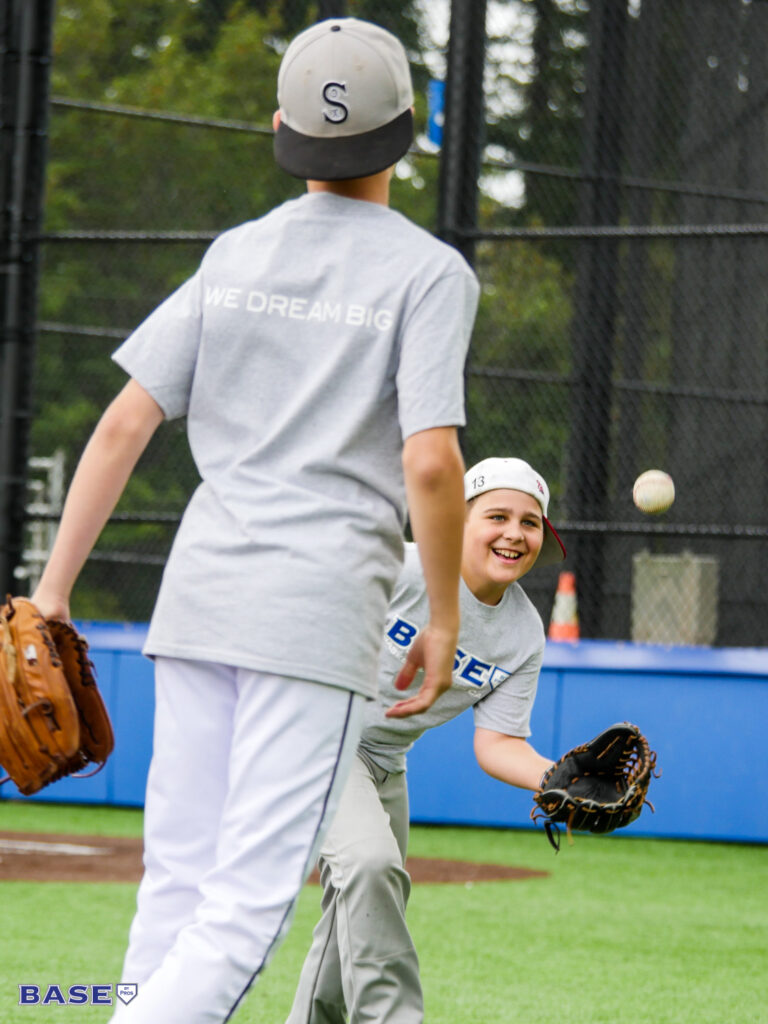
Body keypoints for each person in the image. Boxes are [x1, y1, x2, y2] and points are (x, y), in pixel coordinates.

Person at [29, 17, 479, 1023]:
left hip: (198, 599)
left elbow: (124, 422)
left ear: (279, 125)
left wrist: (53, 590)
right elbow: (431, 459)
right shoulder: (431, 271)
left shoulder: (236, 251)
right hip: (312, 617)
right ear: (409, 129)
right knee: (242, 908)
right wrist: (444, 618)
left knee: (175, 885)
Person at [285, 456, 567, 1024]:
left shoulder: (523, 633)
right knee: (370, 867)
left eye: (530, 522)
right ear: (457, 521)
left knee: (358, 910)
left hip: (385, 761)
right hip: (318, 736)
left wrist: (562, 779)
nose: (514, 533)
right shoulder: (404, 569)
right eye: (497, 516)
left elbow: (498, 744)